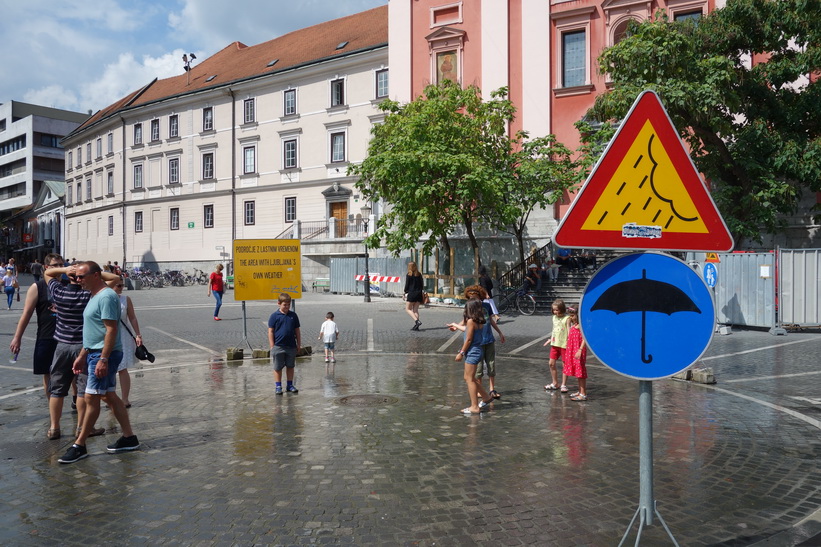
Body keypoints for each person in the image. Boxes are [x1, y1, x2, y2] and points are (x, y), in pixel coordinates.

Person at [58, 261, 140, 464]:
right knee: (110, 396)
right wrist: (83, 354)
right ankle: (129, 437)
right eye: (76, 277)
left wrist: (103, 358)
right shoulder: (94, 295)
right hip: (95, 353)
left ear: (96, 276)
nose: (78, 280)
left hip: (104, 355)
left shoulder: (106, 296)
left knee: (90, 399)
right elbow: (95, 332)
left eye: (81, 277)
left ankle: (80, 445)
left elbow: (111, 330)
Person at [9, 253, 63, 397]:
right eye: (55, 265)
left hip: (67, 337)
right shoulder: (37, 287)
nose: (59, 268)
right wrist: (17, 337)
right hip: (46, 336)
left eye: (61, 265)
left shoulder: (69, 285)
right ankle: (51, 404)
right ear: (47, 267)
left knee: (73, 374)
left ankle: (75, 400)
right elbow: (26, 314)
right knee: (47, 373)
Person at [448, 299, 493, 415]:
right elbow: (468, 331)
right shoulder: (478, 321)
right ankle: (486, 397)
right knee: (469, 378)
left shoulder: (470, 321)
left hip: (472, 352)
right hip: (477, 350)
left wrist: (461, 353)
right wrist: (455, 325)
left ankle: (474, 406)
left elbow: (468, 339)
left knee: (469, 379)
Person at [464, 285, 505, 400]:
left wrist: (500, 332)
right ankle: (479, 390)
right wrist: (456, 326)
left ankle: (492, 389)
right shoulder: (470, 308)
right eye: (471, 297)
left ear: (480, 297)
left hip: (489, 339)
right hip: (478, 343)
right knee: (478, 368)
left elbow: (491, 321)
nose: (473, 299)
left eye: (475, 297)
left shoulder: (486, 306)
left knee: (491, 365)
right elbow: (466, 322)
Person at [108, 275, 143, 407]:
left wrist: (138, 334)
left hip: (123, 336)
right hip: (108, 336)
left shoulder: (125, 299)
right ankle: (111, 397)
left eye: (122, 285)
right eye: (119, 285)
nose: (122, 288)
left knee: (122, 368)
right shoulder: (102, 299)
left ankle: (125, 399)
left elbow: (132, 318)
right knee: (110, 369)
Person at [268, 293, 301, 395]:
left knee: (290, 366)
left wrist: (298, 344)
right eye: (284, 305)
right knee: (278, 367)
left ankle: (290, 385)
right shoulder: (274, 316)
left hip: (291, 346)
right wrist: (272, 345)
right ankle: (278, 386)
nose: (287, 307)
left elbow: (297, 331)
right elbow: (271, 331)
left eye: (288, 304)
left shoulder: (293, 315)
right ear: (279, 304)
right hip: (278, 346)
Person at [562, 306, 589, 401]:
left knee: (580, 371)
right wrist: (568, 325)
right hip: (573, 349)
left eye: (572, 315)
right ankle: (580, 391)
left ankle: (583, 393)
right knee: (578, 372)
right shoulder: (575, 324)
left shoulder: (581, 326)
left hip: (578, 350)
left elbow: (585, 338)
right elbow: (570, 334)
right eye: (570, 315)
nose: (570, 317)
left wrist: (580, 349)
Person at [543, 298, 569, 392]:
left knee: (565, 365)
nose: (555, 312)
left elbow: (569, 331)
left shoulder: (567, 318)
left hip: (564, 344)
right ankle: (555, 383)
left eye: (557, 310)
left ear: (562, 309)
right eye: (553, 310)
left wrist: (570, 342)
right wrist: (550, 338)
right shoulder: (554, 317)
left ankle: (563, 384)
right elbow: (554, 329)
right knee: (551, 363)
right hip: (555, 343)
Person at [404, 261, 424, 331]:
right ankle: (416, 327)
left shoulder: (408, 275)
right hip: (419, 294)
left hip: (412, 294)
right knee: (415, 310)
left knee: (408, 309)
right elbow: (422, 285)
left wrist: (405, 292)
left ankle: (417, 321)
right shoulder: (419, 274)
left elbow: (407, 285)